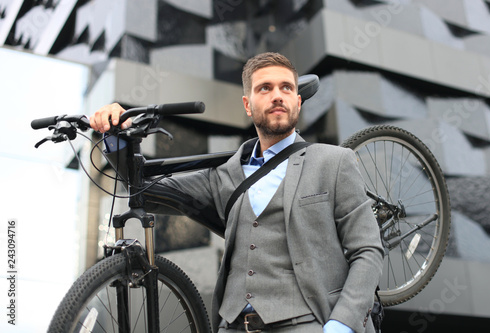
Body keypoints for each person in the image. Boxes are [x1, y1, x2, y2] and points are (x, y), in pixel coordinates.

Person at [90, 52, 384, 333]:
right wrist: (115, 135)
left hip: (309, 323)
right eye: (265, 88)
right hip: (232, 326)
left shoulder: (333, 161)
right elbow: (144, 190)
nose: (277, 95)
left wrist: (341, 325)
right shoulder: (224, 175)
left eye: (286, 87)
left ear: (298, 100)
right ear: (247, 104)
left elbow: (367, 251)